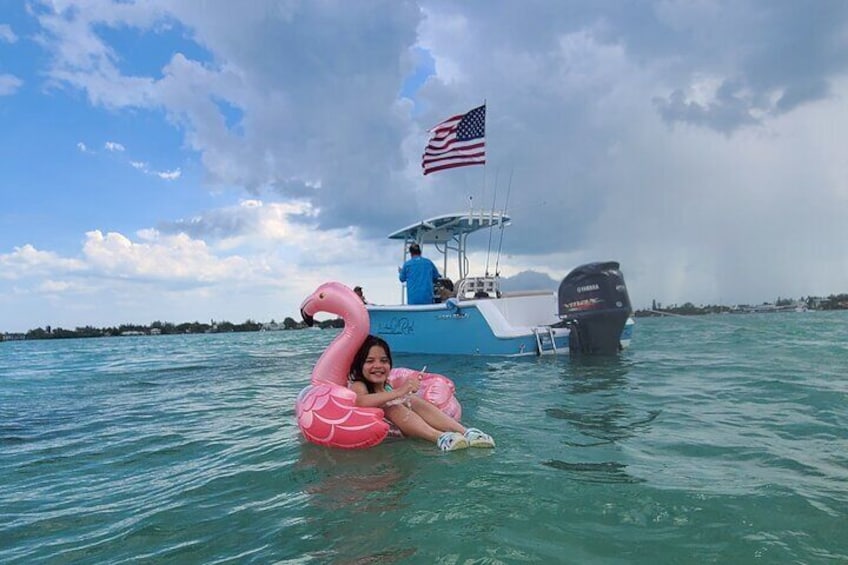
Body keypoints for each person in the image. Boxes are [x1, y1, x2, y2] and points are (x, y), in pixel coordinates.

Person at [349, 335, 495, 451]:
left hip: (404, 423)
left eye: (384, 360)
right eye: (370, 361)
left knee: (412, 399)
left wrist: (406, 392)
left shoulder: (386, 385)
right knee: (392, 406)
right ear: (359, 364)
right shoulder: (359, 384)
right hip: (383, 427)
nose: (378, 366)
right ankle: (439, 437)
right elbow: (360, 401)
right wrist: (400, 392)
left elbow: (400, 397)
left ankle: (466, 432)